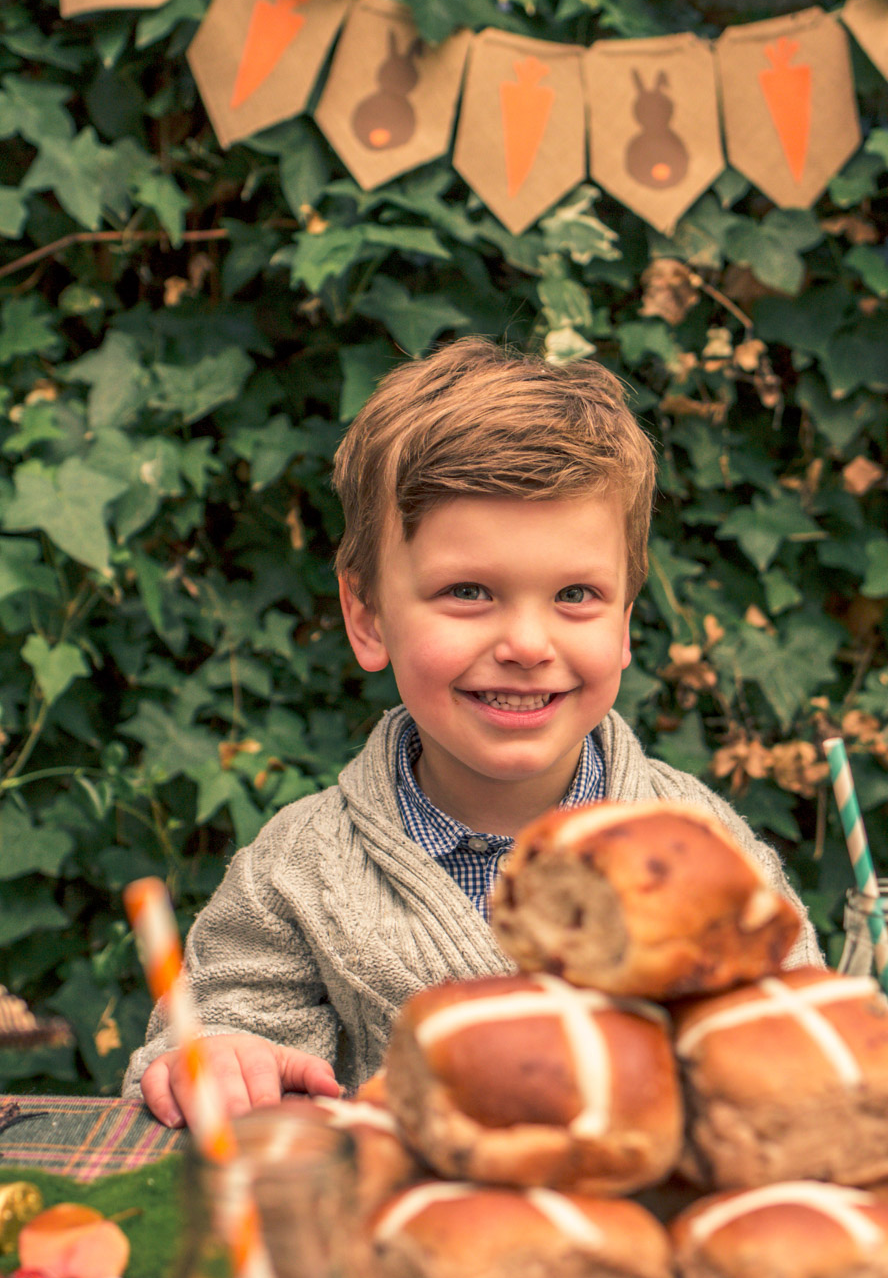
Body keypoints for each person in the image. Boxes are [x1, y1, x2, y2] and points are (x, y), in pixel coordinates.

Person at [123, 337, 822, 1127]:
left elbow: (801, 1039)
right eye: (469, 592)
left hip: (647, 1234)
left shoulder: (702, 846)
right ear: (367, 616)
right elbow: (222, 1030)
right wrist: (222, 1055)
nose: (528, 643)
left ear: (626, 624)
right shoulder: (299, 872)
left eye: (576, 595)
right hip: (399, 1237)